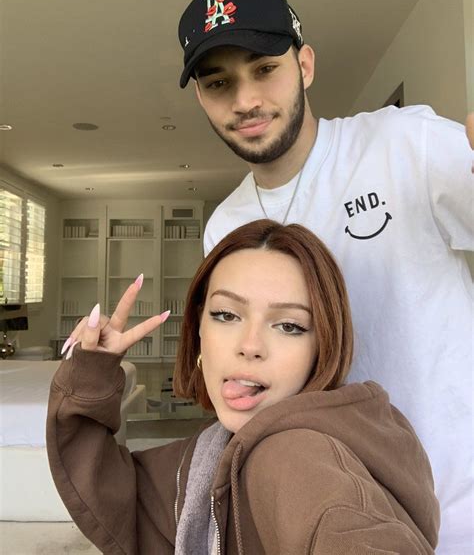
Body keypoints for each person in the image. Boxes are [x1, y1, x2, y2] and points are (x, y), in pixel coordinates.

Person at [177, 0, 473, 553]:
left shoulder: (405, 145)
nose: (245, 101)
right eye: (219, 83)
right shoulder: (224, 226)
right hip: (321, 513)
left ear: (304, 65)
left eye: (265, 69)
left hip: (462, 510)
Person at [48, 220, 439, 554]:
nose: (249, 346)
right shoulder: (217, 447)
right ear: (199, 325)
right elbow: (123, 497)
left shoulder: (295, 454)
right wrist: (91, 370)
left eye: (289, 325)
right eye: (226, 315)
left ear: (323, 344)